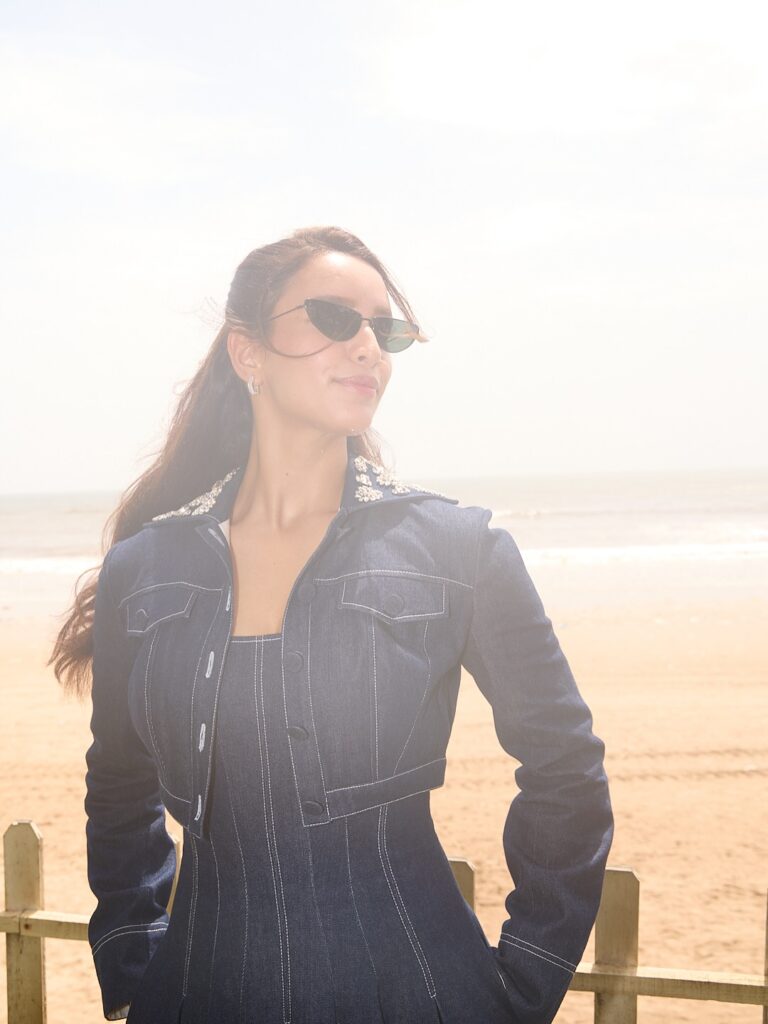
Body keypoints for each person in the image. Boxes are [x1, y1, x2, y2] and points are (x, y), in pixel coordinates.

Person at [51, 225, 613, 1024]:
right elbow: (118, 785)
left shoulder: (460, 550)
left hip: (421, 997)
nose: (367, 347)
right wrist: (134, 958)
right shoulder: (144, 567)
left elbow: (566, 770)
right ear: (247, 352)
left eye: (384, 329)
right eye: (334, 317)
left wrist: (524, 986)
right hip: (190, 998)